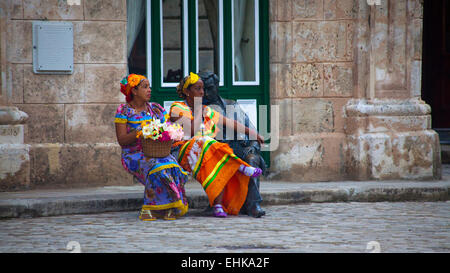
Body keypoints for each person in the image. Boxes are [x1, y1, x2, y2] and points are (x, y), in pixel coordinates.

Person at [169, 72, 264, 218]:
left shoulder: (208, 110)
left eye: (202, 89)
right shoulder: (177, 108)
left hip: (208, 151)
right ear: (187, 92)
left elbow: (230, 123)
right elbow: (191, 132)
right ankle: (239, 166)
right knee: (207, 141)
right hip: (185, 151)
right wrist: (198, 110)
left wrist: (253, 134)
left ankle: (218, 206)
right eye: (198, 89)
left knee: (213, 149)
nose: (202, 92)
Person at [115, 74, 189, 221]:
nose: (149, 90)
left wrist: (169, 132)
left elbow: (166, 128)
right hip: (134, 154)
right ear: (134, 91)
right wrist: (140, 132)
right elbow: (122, 140)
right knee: (156, 166)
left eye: (149, 87)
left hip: (157, 150)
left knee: (173, 165)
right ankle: (150, 209)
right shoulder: (124, 111)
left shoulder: (155, 109)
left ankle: (169, 206)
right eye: (145, 87)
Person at [200, 71, 266, 218]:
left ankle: (253, 204)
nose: (206, 93)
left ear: (217, 87)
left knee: (252, 159)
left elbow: (252, 131)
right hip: (217, 150)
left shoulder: (232, 104)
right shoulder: (199, 109)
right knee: (219, 159)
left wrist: (253, 147)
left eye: (210, 88)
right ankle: (219, 203)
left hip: (237, 147)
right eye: (203, 89)